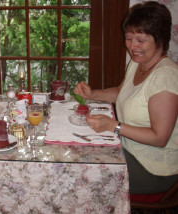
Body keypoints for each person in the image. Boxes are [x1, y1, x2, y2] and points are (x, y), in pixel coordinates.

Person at [74, 1, 178, 194]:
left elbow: (160, 137)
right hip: (129, 149)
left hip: (153, 168)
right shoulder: (139, 63)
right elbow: (122, 92)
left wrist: (114, 126)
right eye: (129, 38)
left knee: (83, 172)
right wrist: (92, 94)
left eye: (140, 40)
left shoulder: (166, 77)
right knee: (80, 150)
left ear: (160, 39)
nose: (132, 46)